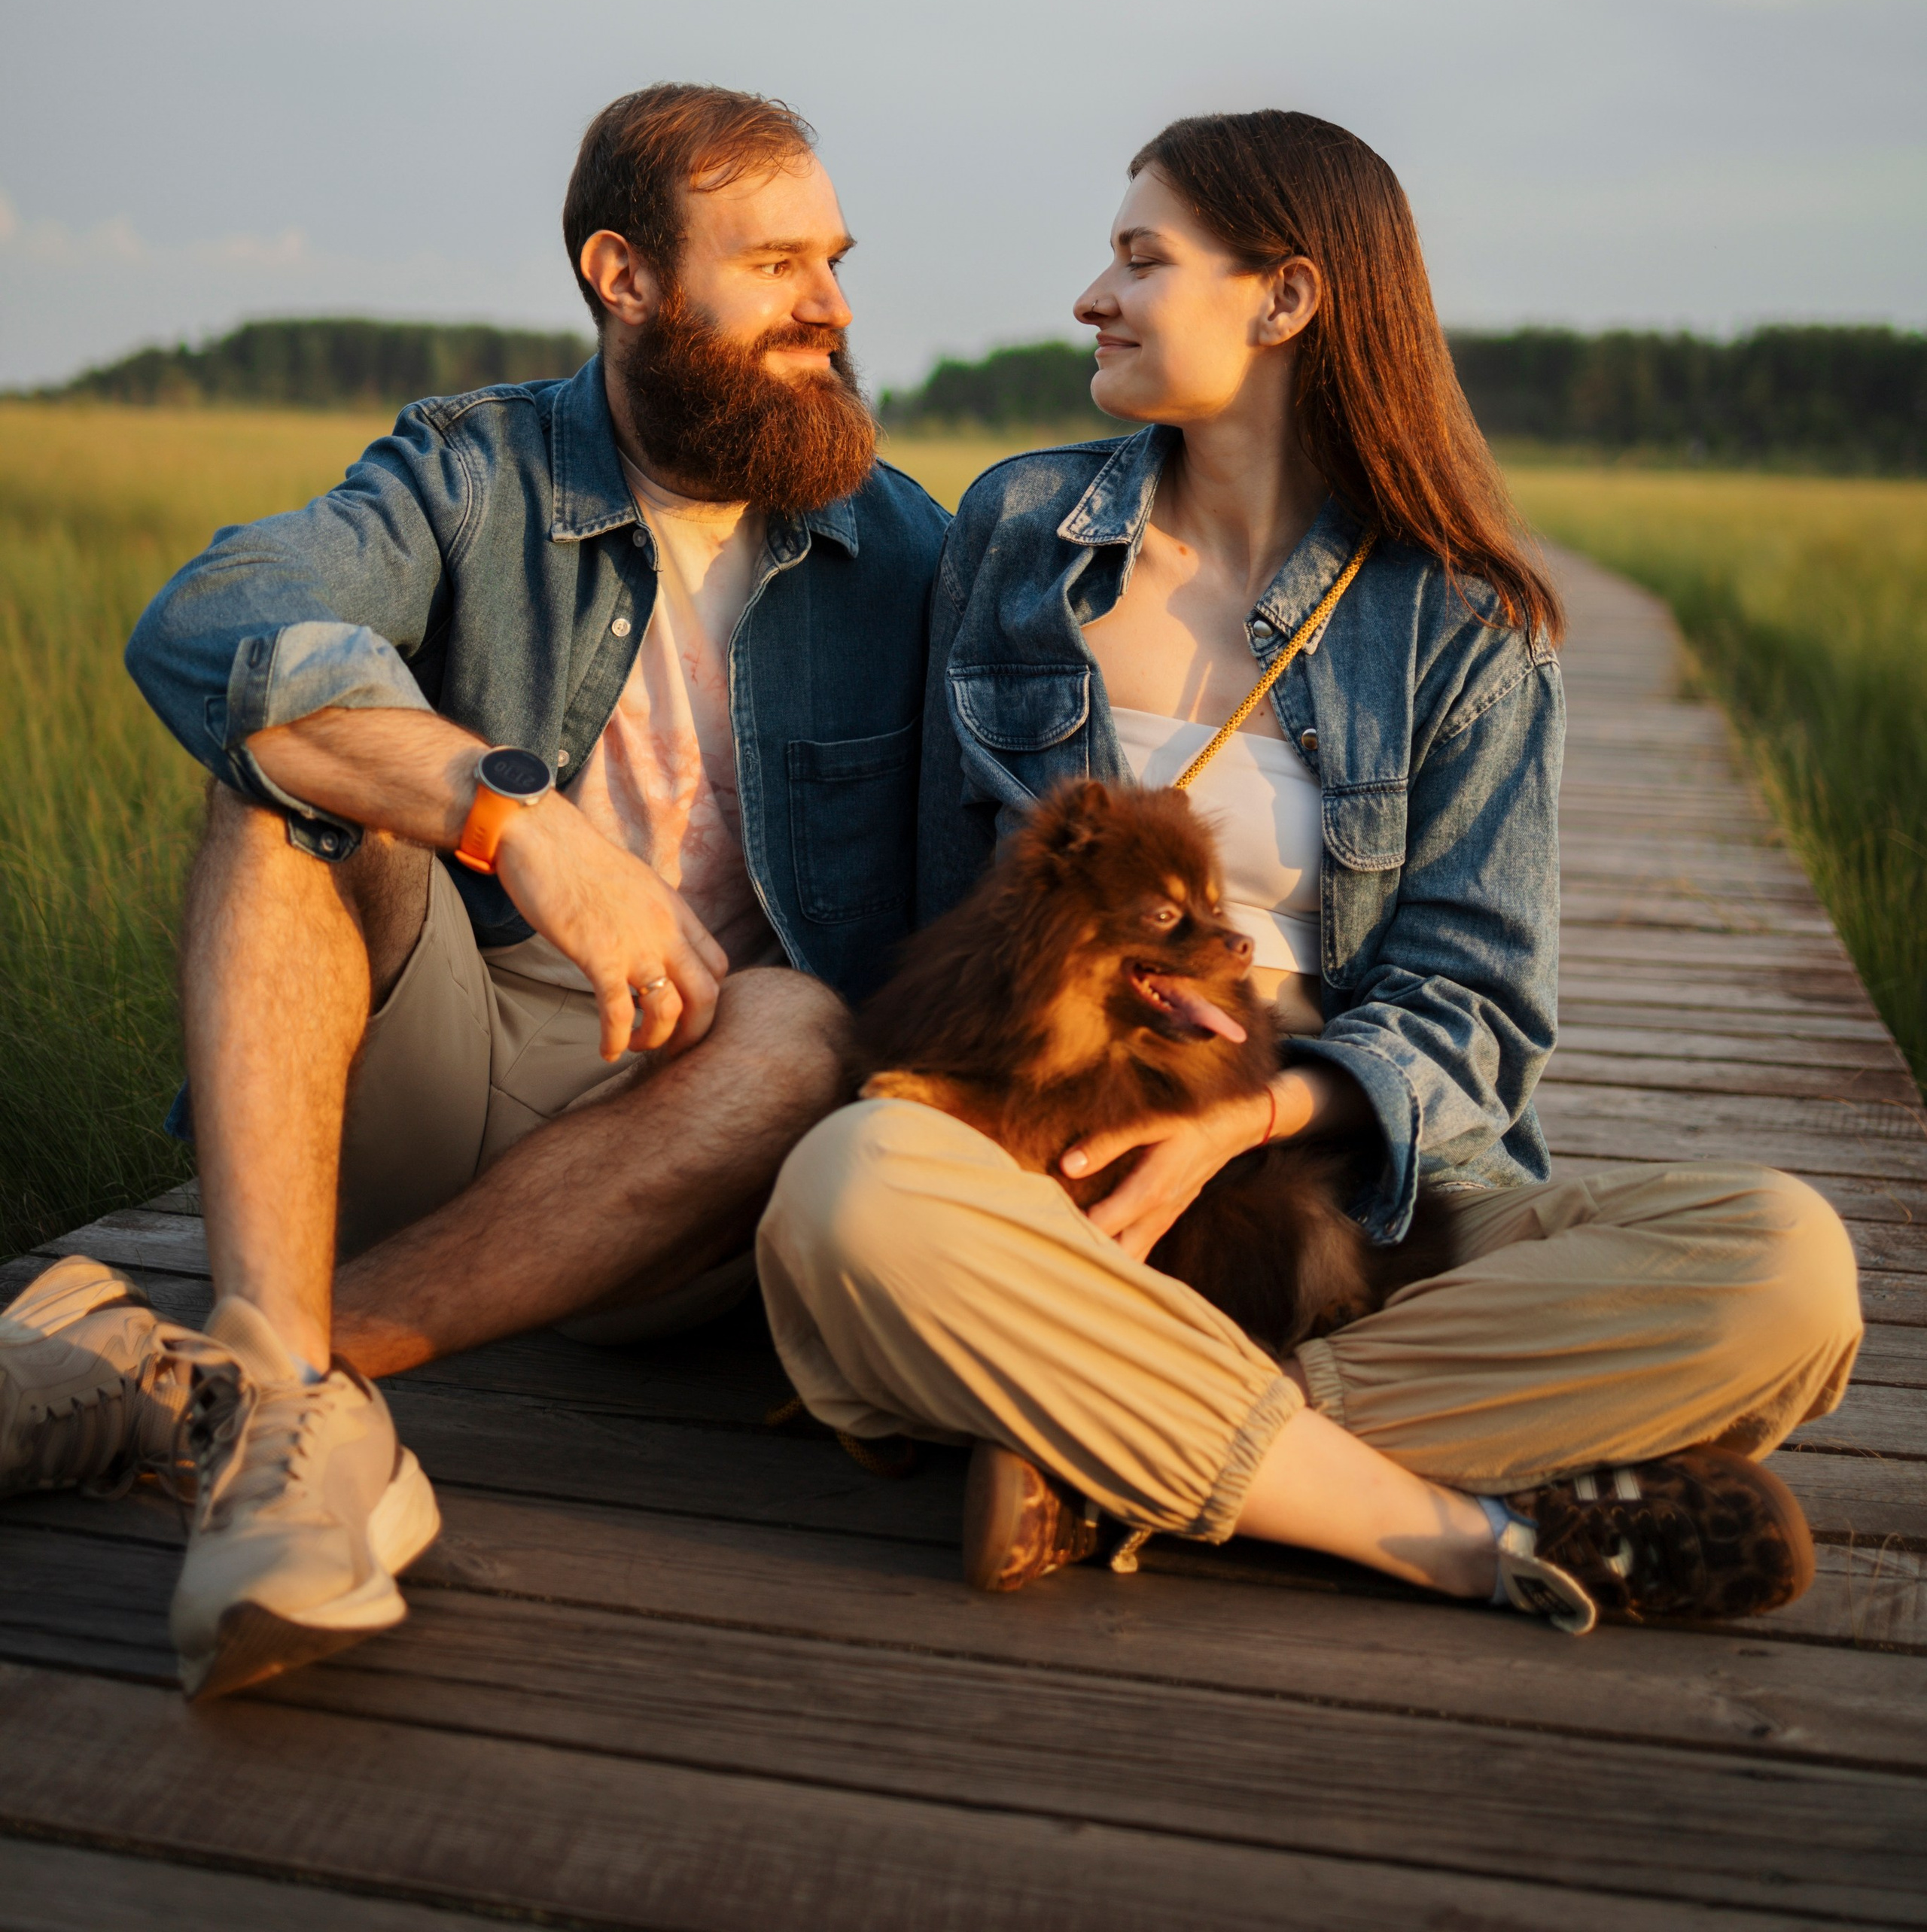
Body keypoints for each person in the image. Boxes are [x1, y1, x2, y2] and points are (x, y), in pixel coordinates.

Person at [759, 107, 1862, 1635]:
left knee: (1785, 1269)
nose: (1092, 295)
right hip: (1050, 1165)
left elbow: (1470, 1007)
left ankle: (1098, 1445)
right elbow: (945, 916)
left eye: (1141, 259)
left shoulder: (1461, 619)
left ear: (1282, 300)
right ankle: (1442, 1529)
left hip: (1335, 1198)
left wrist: (1244, 1121)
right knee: (846, 1193)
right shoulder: (1018, 531)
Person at [0, 83, 945, 1698]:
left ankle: (222, 1375)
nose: (830, 309)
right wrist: (525, 826)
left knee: (798, 1025)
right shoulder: (470, 469)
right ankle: (284, 1429)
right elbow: (212, 619)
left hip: (696, 1135)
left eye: (834, 262)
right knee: (294, 769)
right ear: (622, 275)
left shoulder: (898, 546)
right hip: (448, 1059)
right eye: (777, 264)